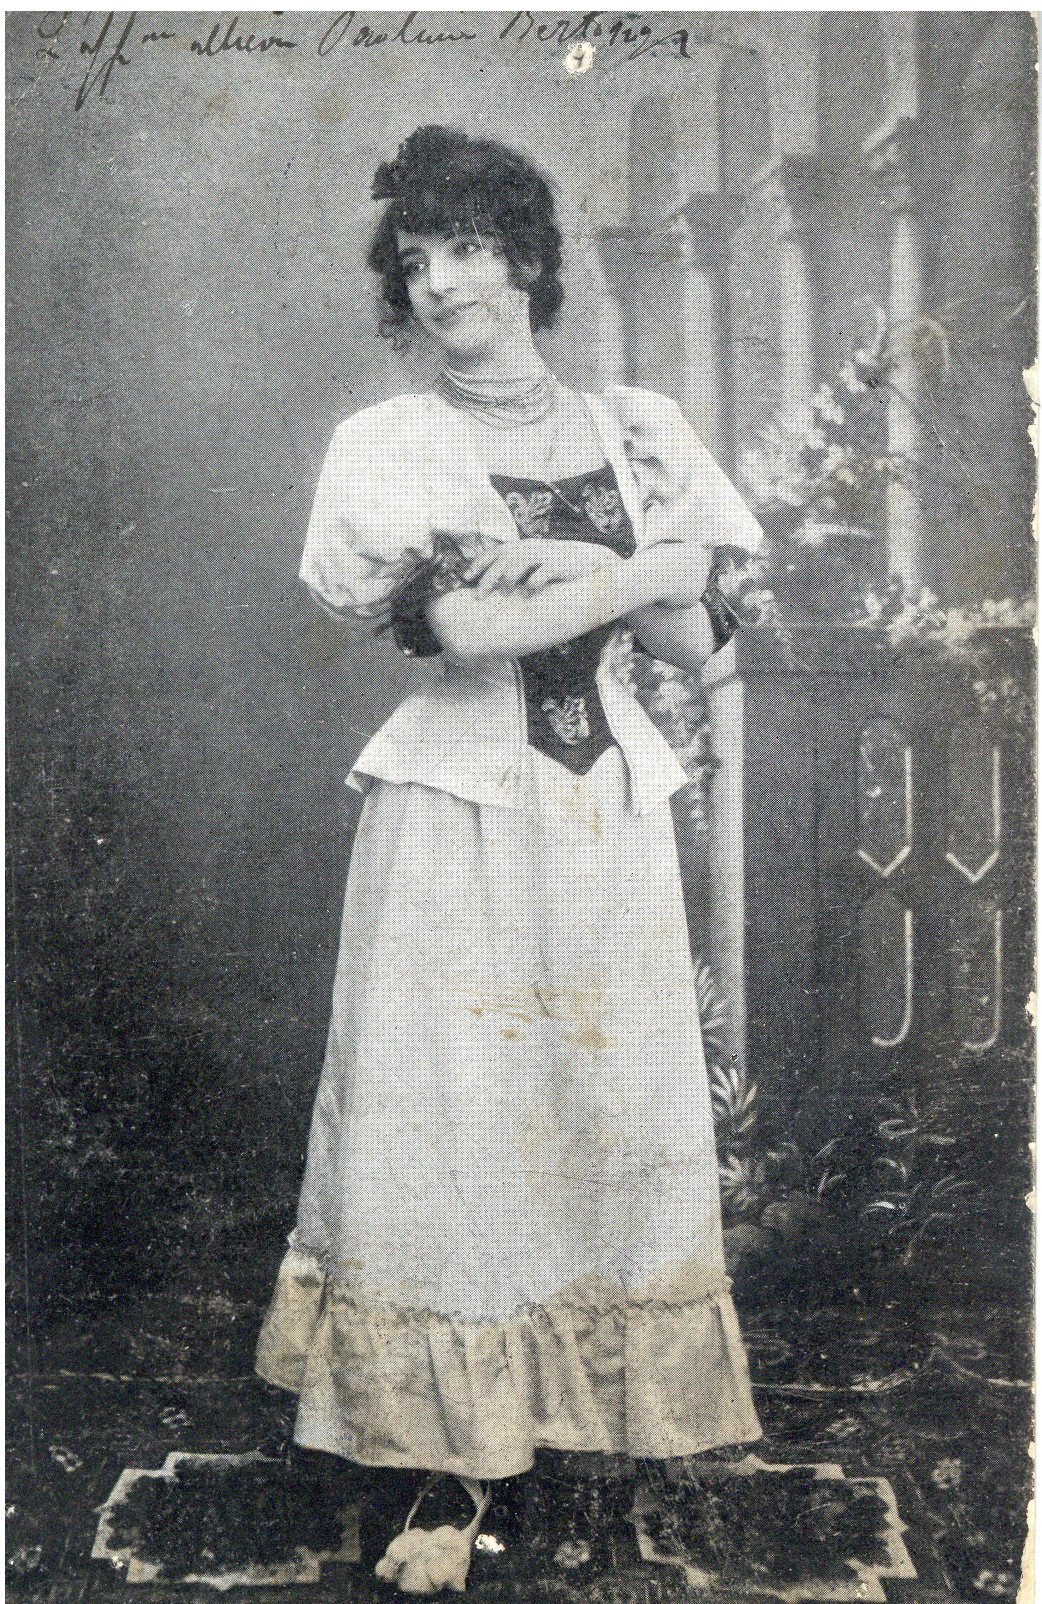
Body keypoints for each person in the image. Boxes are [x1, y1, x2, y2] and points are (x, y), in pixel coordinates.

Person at [256, 124, 764, 1591]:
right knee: (454, 1118)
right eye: (416, 262)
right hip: (458, 814)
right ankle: (447, 1472)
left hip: (602, 816)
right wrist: (642, 571)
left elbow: (697, 638)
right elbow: (471, 629)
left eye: (470, 249)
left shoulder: (639, 429)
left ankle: (565, 1418)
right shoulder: (391, 446)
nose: (443, 285)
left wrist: (614, 569)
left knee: (594, 1103)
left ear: (530, 262)